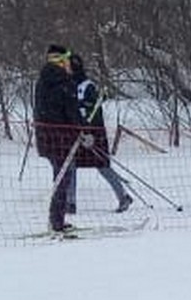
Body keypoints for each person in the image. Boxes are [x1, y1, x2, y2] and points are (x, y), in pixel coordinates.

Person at [69, 52, 135, 215]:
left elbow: (95, 111)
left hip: (93, 134)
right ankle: (70, 203)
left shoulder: (87, 86)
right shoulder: (69, 86)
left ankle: (123, 196)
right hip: (78, 133)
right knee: (70, 165)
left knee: (102, 166)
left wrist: (90, 132)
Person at [33, 44, 85, 235]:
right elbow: (72, 111)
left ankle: (57, 219)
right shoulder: (65, 82)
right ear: (62, 61)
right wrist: (83, 129)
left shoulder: (41, 81)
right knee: (63, 178)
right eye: (67, 61)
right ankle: (57, 221)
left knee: (59, 176)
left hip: (45, 137)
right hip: (62, 138)